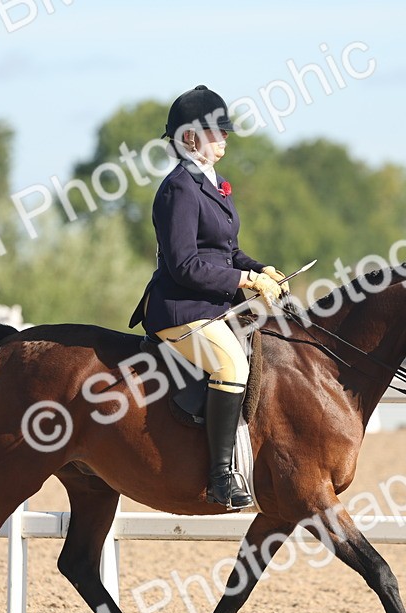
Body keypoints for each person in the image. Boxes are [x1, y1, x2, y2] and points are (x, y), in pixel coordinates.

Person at [129, 85, 286, 510]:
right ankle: (220, 477)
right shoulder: (179, 189)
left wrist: (261, 269)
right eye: (216, 131)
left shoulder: (212, 185)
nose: (225, 137)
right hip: (180, 309)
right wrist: (245, 281)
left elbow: (227, 251)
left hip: (212, 306)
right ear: (190, 138)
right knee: (230, 364)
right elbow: (184, 265)